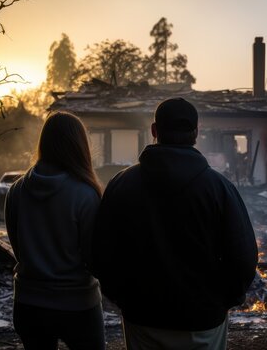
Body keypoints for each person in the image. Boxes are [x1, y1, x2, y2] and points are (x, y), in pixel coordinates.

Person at [92, 98, 258, 350]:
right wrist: (221, 301)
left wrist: (123, 298)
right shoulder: (219, 188)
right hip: (203, 322)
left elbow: (101, 252)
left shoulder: (122, 185)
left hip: (143, 318)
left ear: (155, 131)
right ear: (196, 133)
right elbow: (243, 257)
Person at [5, 112, 105, 350]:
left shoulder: (17, 191)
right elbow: (94, 260)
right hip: (78, 305)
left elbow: (18, 249)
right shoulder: (85, 194)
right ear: (79, 145)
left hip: (29, 304)